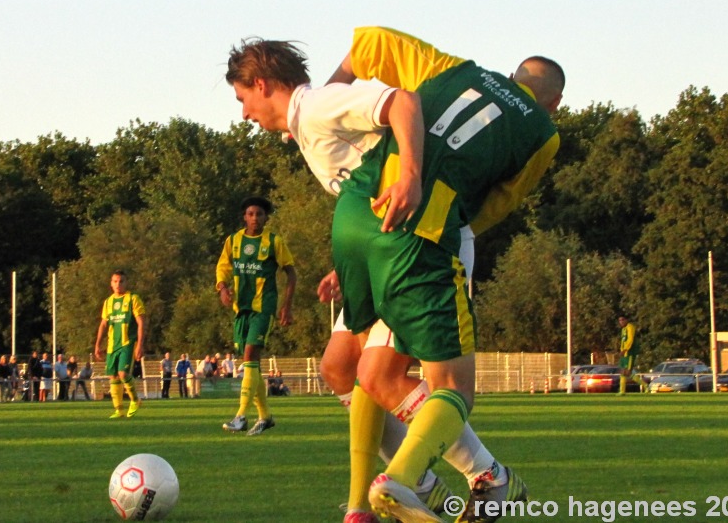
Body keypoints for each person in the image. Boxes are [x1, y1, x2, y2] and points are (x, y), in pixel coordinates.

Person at [226, 26, 563, 522]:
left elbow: (377, 50)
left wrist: (410, 180)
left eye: (241, 98)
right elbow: (501, 201)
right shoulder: (541, 132)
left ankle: (460, 478)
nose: (243, 113)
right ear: (553, 105)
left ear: (261, 83)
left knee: (383, 376)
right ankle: (391, 493)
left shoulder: (443, 73)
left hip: (415, 229)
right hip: (379, 230)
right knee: (342, 368)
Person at [216, 195, 297, 436]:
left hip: (264, 308)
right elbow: (223, 266)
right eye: (250, 214)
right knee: (251, 365)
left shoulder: (273, 242)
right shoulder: (233, 241)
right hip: (241, 309)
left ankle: (240, 415)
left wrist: (287, 306)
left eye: (259, 214)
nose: (254, 218)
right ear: (244, 217)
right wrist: (222, 287)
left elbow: (291, 274)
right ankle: (265, 416)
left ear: (265, 217)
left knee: (250, 355)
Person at [94, 269, 146, 419]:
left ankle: (135, 400)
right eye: (115, 281)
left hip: (127, 343)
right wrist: (98, 344)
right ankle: (119, 410)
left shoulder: (133, 299)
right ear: (111, 284)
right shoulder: (108, 302)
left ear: (126, 283)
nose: (118, 284)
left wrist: (140, 344)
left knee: (123, 374)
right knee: (113, 377)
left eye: (121, 281)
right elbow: (103, 324)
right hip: (112, 345)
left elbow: (141, 322)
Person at [617, 314, 645, 395]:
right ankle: (622, 391)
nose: (621, 322)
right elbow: (623, 341)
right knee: (622, 371)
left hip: (629, 353)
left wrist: (625, 349)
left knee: (628, 372)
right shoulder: (623, 329)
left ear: (626, 320)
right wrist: (621, 350)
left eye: (622, 320)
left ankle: (645, 386)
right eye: (619, 320)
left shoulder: (630, 327)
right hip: (624, 353)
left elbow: (630, 339)